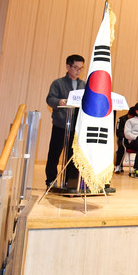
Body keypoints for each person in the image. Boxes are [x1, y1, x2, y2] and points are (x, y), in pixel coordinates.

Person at [45, 54, 86, 187]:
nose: (78, 71)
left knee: (72, 156)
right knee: (54, 154)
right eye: (75, 67)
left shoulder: (84, 85)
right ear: (68, 66)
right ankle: (51, 180)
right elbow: (50, 99)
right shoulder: (58, 83)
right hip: (61, 124)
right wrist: (59, 102)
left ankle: (70, 181)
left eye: (81, 68)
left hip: (76, 126)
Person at [114, 107, 135, 174]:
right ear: (129, 114)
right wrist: (126, 137)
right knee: (121, 147)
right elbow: (118, 132)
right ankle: (118, 166)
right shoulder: (121, 119)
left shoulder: (135, 120)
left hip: (132, 139)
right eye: (131, 116)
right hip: (123, 138)